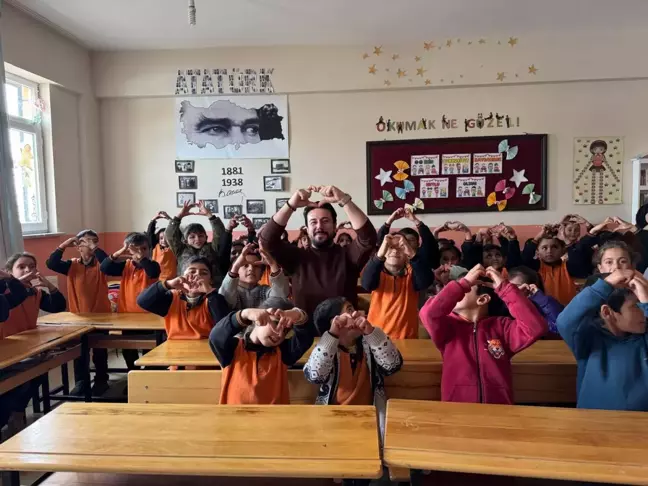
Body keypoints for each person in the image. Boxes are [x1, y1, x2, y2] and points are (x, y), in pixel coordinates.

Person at [419, 264, 547, 404]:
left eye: (466, 290)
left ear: (482, 299)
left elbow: (535, 327)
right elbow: (428, 313)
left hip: (498, 409)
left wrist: (506, 289)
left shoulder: (502, 327)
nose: (457, 294)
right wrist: (463, 284)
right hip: (456, 409)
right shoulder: (448, 327)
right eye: (459, 289)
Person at [258, 186, 377, 316]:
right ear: (307, 229)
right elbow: (267, 241)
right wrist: (291, 204)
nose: (319, 226)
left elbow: (368, 238)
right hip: (305, 332)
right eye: (313, 222)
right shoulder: (296, 257)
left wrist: (344, 199)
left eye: (325, 221)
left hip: (344, 332)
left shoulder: (348, 256)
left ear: (335, 226)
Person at [304, 297, 402, 439]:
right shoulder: (326, 349)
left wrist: (371, 333)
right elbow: (315, 375)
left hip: (370, 417)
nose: (357, 314)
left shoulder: (369, 343)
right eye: (350, 310)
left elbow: (392, 365)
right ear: (335, 321)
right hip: (333, 418)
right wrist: (332, 335)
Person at [557, 270, 648, 410]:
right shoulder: (588, 340)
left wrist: (646, 301)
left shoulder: (643, 338)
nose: (643, 312)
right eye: (636, 305)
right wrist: (606, 284)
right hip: (595, 426)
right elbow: (565, 321)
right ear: (607, 312)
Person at [208, 297, 312, 404]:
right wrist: (244, 314)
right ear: (257, 320)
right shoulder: (233, 349)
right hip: (235, 418)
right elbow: (216, 337)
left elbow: (306, 338)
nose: (280, 333)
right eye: (276, 323)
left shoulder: (283, 352)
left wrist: (299, 316)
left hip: (274, 419)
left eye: (285, 330)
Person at [46, 230, 112, 395]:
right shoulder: (72, 265)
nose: (90, 245)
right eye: (85, 242)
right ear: (78, 247)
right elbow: (51, 263)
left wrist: (95, 248)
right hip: (78, 316)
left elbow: (109, 264)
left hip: (101, 315)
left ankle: (102, 380)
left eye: (94, 241)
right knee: (80, 351)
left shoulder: (101, 264)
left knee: (99, 350)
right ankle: (82, 382)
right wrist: (63, 246)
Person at [100, 232, 161, 369]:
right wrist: (121, 252)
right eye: (136, 249)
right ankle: (133, 375)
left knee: (150, 351)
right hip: (127, 316)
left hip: (150, 318)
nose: (140, 252)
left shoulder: (153, 265)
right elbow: (104, 268)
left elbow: (153, 273)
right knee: (128, 350)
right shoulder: (125, 265)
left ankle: (148, 378)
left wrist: (140, 257)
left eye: (144, 249)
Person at [137, 257, 229, 339]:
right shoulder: (172, 298)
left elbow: (225, 326)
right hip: (175, 351)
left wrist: (210, 292)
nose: (197, 276)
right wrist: (168, 284)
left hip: (206, 351)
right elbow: (142, 301)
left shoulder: (214, 298)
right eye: (192, 272)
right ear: (181, 276)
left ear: (210, 280)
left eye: (204, 273)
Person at [361, 234, 433, 338]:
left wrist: (412, 253)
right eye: (390, 248)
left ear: (406, 254)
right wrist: (379, 254)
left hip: (407, 339)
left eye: (400, 248)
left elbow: (426, 281)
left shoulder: (413, 273)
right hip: (376, 338)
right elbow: (367, 284)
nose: (395, 251)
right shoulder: (376, 271)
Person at [521, 224, 593, 306]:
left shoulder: (567, 267)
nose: (549, 251)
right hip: (543, 312)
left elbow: (578, 262)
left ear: (562, 250)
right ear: (537, 251)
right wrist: (536, 238)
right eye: (544, 248)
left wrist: (567, 241)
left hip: (566, 310)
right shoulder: (536, 267)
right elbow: (525, 259)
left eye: (554, 247)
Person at [2, 253, 66, 338]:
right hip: (5, 343)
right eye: (21, 267)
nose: (28, 270)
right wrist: (15, 282)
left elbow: (58, 307)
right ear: (9, 271)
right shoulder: (3, 290)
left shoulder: (35, 292)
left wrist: (49, 285)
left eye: (32, 266)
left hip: (29, 342)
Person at [165, 200, 226, 286]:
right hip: (187, 287)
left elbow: (220, 234)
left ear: (206, 237)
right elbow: (170, 235)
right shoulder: (180, 250)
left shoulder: (212, 247)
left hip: (211, 287)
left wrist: (210, 215)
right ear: (185, 240)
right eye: (192, 237)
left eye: (201, 236)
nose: (197, 239)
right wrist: (179, 216)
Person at [218, 243, 289, 309]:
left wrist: (273, 264)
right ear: (237, 271)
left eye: (256, 266)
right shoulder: (232, 291)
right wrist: (235, 267)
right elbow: (224, 298)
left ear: (261, 274)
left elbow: (281, 295)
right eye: (245, 266)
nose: (251, 269)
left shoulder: (265, 291)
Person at [508, 266, 563, 336]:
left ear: (531, 287)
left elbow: (560, 328)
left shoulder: (545, 303)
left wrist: (541, 300)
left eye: (516, 286)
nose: (511, 291)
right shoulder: (506, 304)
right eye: (509, 286)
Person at [147, 211, 177, 281]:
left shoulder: (174, 247)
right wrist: (153, 220)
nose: (163, 240)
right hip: (157, 279)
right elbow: (150, 234)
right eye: (161, 238)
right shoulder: (155, 247)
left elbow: (175, 230)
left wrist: (169, 218)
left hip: (171, 279)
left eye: (166, 238)